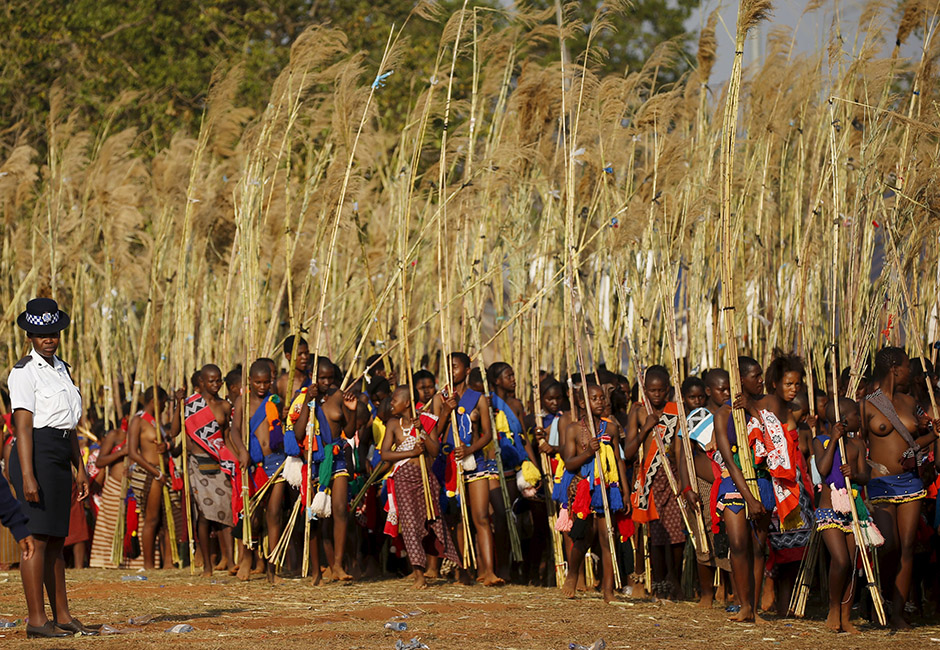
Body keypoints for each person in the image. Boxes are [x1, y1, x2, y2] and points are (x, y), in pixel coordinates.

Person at [7, 297, 95, 637]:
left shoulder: (63, 368)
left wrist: (81, 467)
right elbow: (23, 427)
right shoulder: (24, 372)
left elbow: (68, 425)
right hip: (36, 455)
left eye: (54, 332)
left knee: (57, 539)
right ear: (29, 335)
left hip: (61, 453)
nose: (49, 338)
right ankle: (36, 621)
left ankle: (62, 616)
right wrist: (27, 475)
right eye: (41, 333)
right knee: (36, 541)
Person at [860, 346, 940, 628]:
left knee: (907, 546)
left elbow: (921, 436)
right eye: (907, 367)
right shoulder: (867, 403)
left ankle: (897, 614)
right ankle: (877, 596)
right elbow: (857, 443)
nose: (910, 372)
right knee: (888, 544)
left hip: (910, 483)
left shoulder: (910, 402)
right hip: (880, 484)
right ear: (894, 369)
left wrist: (933, 432)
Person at [713, 357, 779, 623]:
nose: (761, 380)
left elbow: (776, 441)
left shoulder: (768, 405)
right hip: (733, 481)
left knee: (757, 546)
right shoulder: (724, 414)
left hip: (762, 480)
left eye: (761, 375)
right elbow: (727, 458)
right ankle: (744, 606)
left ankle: (754, 607)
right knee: (738, 544)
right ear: (740, 379)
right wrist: (749, 498)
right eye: (755, 376)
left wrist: (753, 410)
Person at [432, 352, 501, 585]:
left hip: (475, 463)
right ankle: (462, 569)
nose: (451, 371)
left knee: (480, 517)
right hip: (448, 466)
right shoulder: (439, 397)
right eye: (448, 367)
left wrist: (470, 450)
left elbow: (488, 434)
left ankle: (488, 571)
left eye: (455, 367)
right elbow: (435, 434)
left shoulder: (479, 398)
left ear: (467, 369)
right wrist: (445, 411)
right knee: (455, 519)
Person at [814, 397, 881, 633]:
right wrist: (833, 439)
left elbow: (865, 477)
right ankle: (833, 608)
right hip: (828, 510)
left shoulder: (858, 445)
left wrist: (854, 474)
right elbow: (822, 471)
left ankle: (845, 616)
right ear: (842, 420)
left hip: (852, 511)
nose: (859, 419)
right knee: (840, 559)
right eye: (854, 415)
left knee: (852, 563)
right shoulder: (820, 441)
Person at [382, 386, 460, 588]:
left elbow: (434, 452)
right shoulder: (393, 424)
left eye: (394, 400)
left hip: (426, 479)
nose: (391, 403)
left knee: (436, 522)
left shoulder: (426, 421)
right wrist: (410, 453)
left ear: (407, 402)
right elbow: (385, 455)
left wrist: (423, 432)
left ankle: (459, 569)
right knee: (409, 525)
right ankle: (419, 575)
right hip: (403, 480)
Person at [559, 383, 630, 602]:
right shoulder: (573, 429)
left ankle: (608, 591)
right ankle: (572, 575)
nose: (601, 402)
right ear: (582, 403)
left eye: (602, 398)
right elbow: (569, 462)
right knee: (583, 537)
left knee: (608, 536)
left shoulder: (611, 428)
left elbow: (619, 460)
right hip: (584, 490)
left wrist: (626, 492)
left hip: (608, 489)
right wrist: (589, 452)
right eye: (594, 398)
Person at [180, 364, 241, 576]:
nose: (215, 384)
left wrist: (236, 457)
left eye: (218, 381)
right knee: (205, 514)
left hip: (219, 462)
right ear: (202, 383)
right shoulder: (189, 404)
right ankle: (207, 565)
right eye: (211, 381)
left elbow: (227, 438)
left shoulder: (225, 406)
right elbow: (174, 430)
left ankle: (231, 560)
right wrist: (178, 405)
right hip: (197, 464)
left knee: (226, 510)